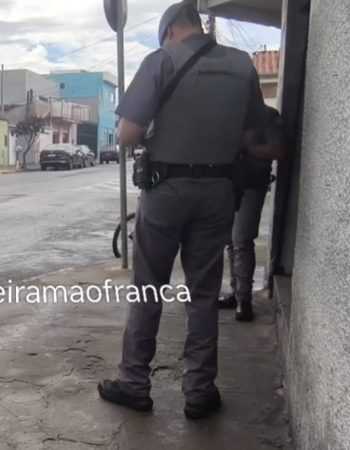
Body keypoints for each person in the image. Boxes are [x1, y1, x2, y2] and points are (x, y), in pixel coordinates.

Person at [97, 2, 266, 420]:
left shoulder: (161, 61)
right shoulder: (242, 65)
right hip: (219, 192)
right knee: (203, 295)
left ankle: (134, 384)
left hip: (166, 191)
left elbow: (127, 133)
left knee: (148, 289)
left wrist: (157, 133)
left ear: (170, 31)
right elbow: (252, 136)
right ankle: (199, 392)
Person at [219, 106, 286, 321]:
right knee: (231, 241)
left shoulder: (267, 116)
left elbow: (278, 150)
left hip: (251, 183)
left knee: (241, 239)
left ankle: (244, 300)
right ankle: (237, 293)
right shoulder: (230, 111)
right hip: (228, 182)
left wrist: (246, 149)